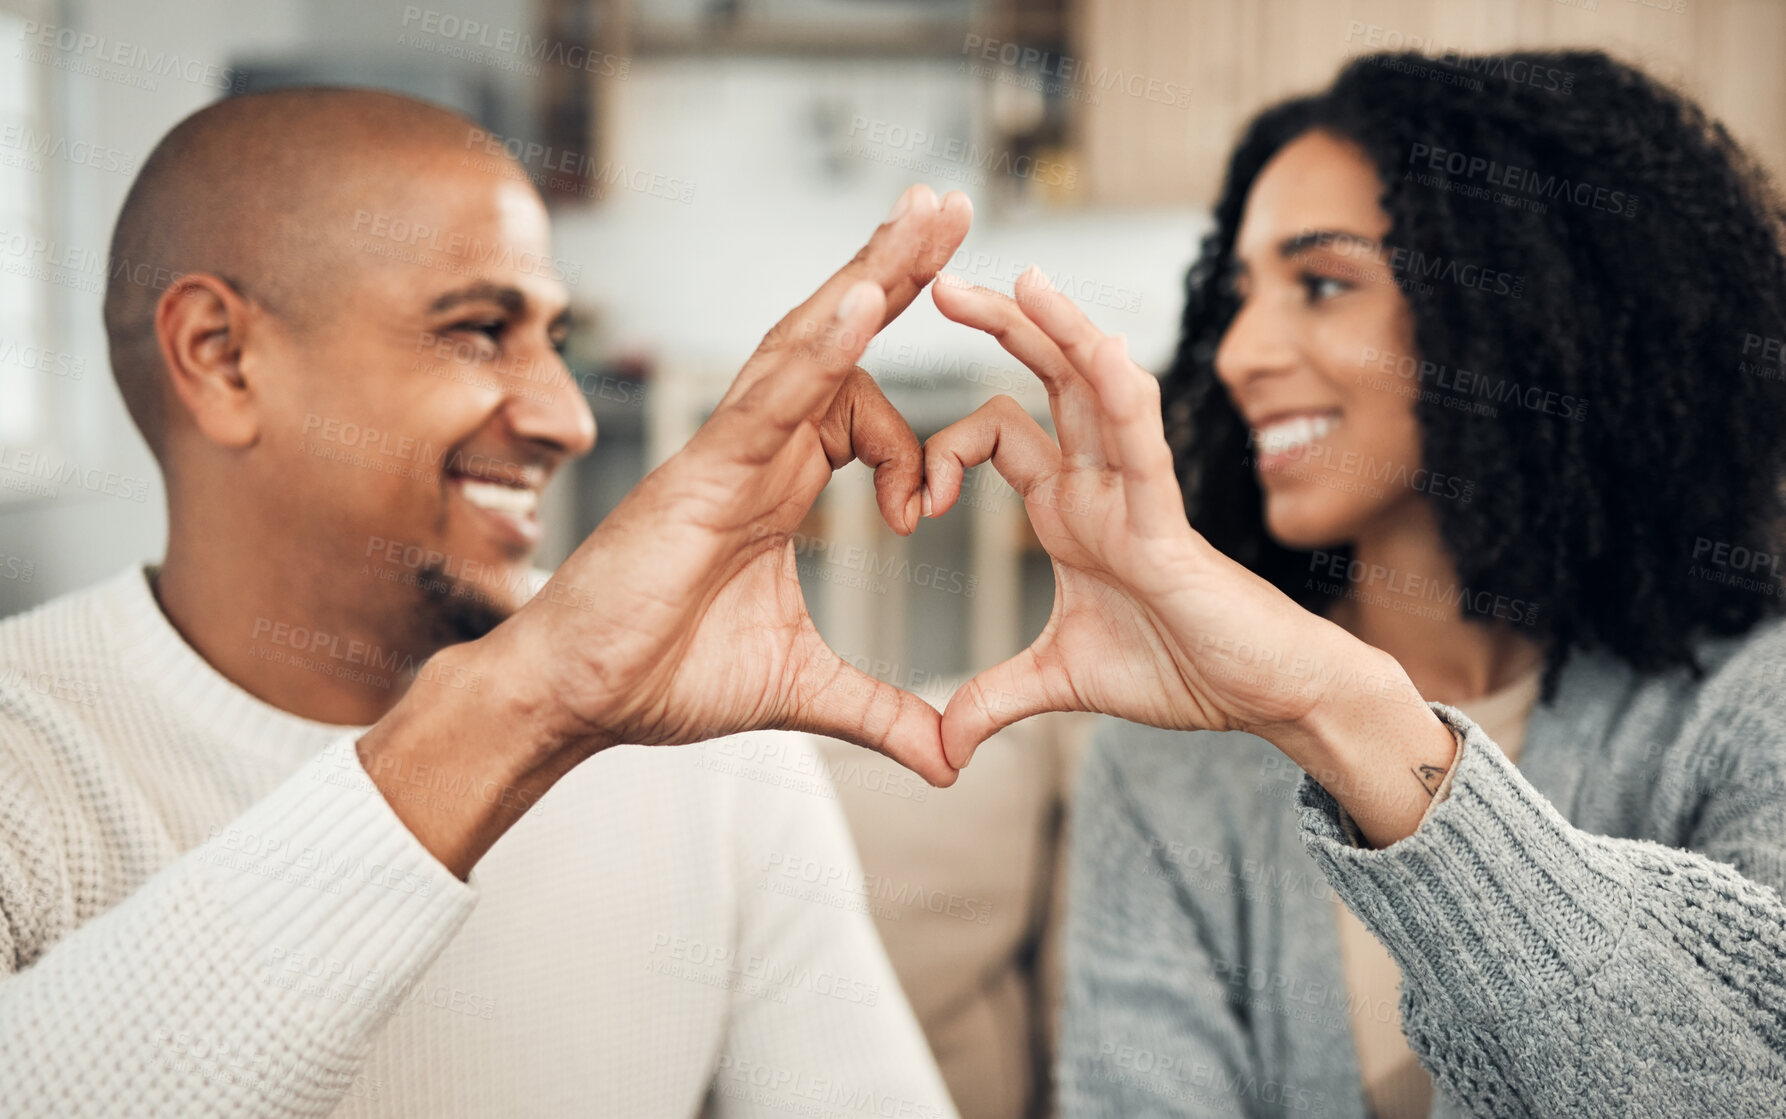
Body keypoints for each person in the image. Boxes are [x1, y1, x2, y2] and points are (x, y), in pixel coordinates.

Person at [0, 87, 972, 1117]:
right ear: (222, 357)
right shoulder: (28, 752)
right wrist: (519, 708)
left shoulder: (716, 753)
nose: (567, 419)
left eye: (554, 337)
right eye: (476, 331)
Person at [915, 50, 1786, 1117]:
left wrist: (1351, 717)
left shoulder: (1748, 714)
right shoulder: (1162, 769)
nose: (1237, 353)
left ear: (1521, 316)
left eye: (1322, 284)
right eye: (1237, 298)